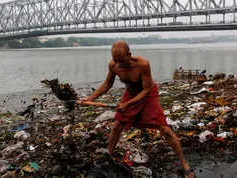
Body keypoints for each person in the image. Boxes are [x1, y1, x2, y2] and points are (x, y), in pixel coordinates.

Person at [81, 41, 195, 178]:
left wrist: (127, 104)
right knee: (116, 125)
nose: (118, 64)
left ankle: (184, 163)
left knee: (164, 129)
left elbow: (147, 90)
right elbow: (107, 84)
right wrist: (90, 99)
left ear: (129, 55)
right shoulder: (113, 65)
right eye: (115, 60)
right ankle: (109, 158)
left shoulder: (142, 64)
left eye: (122, 60)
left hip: (148, 95)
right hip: (130, 93)